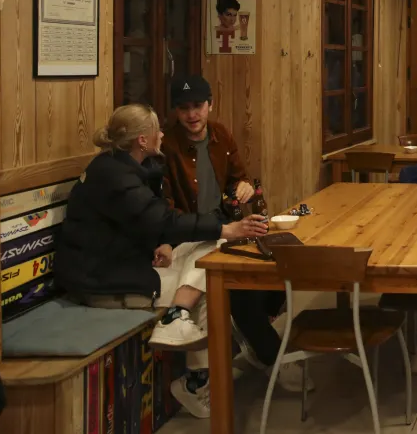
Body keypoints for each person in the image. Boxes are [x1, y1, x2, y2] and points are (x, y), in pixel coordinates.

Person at [56, 104, 269, 418]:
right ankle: (193, 369)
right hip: (103, 281)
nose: (162, 135)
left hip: (124, 264)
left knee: (210, 251)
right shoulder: (114, 176)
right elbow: (162, 219)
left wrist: (164, 243)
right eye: (156, 130)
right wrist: (226, 228)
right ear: (142, 140)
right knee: (211, 278)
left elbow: (143, 221)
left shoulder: (119, 166)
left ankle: (180, 321)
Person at [161, 75, 312, 409]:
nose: (192, 114)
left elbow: (239, 179)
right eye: (184, 108)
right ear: (175, 111)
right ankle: (268, 354)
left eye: (197, 106)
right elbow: (167, 212)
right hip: (192, 236)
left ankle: (262, 348)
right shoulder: (167, 146)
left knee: (275, 259)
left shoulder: (221, 135)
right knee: (236, 285)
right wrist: (217, 229)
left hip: (226, 227)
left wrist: (243, 187)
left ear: (210, 104)